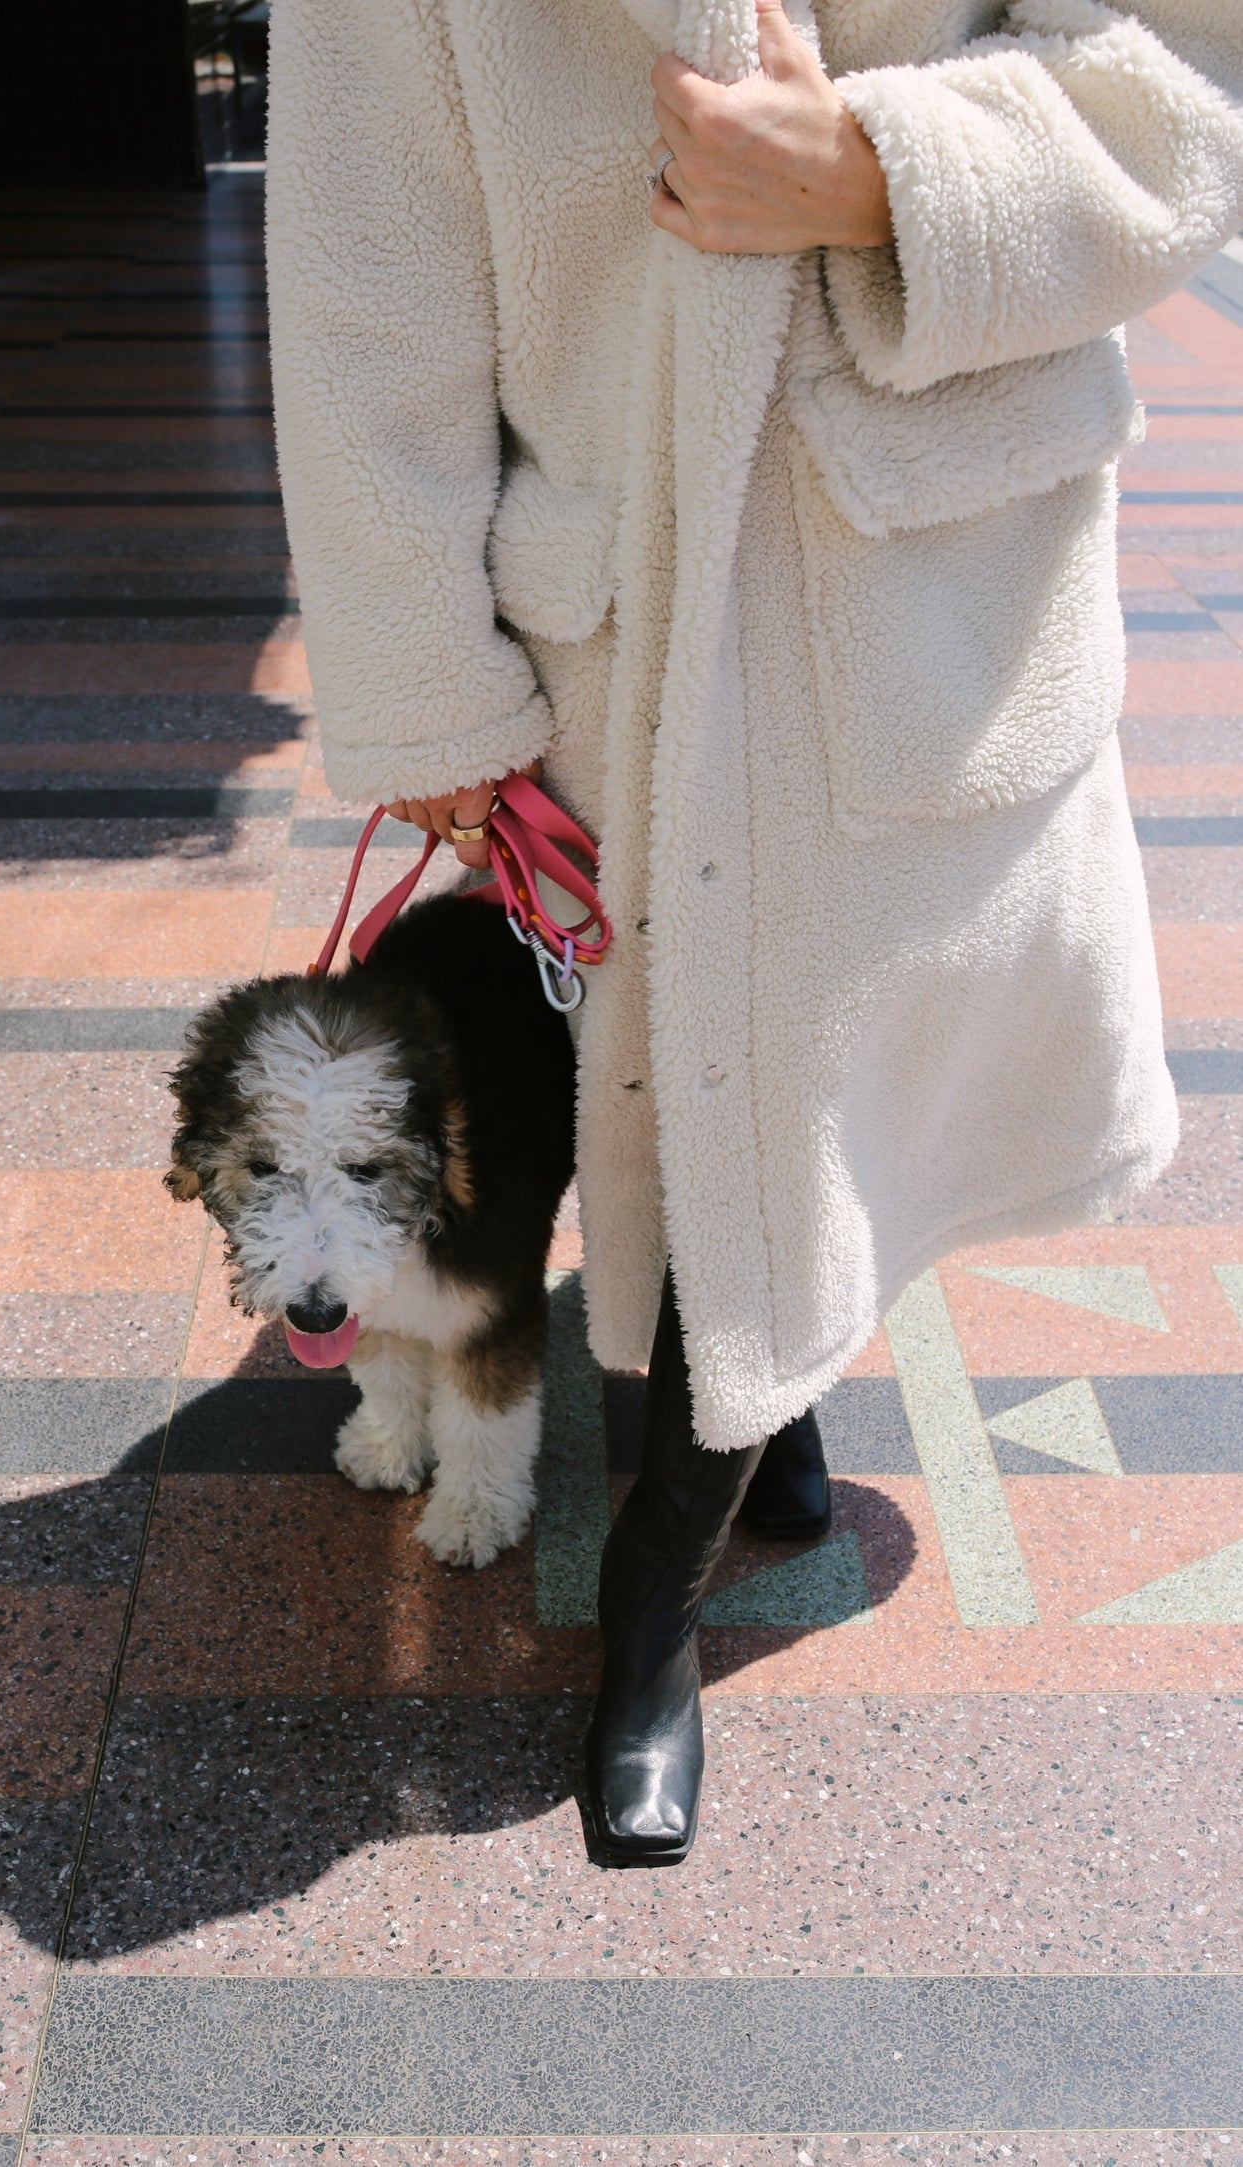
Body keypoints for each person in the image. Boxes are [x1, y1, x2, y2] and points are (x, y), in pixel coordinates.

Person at [266, 0, 1243, 1866]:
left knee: (834, 1076)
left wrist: (890, 173)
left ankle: (745, 1418)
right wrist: (426, 681)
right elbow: (361, 271)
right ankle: (656, 1601)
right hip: (618, 616)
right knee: (704, 1093)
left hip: (938, 581)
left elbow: (1188, 68)